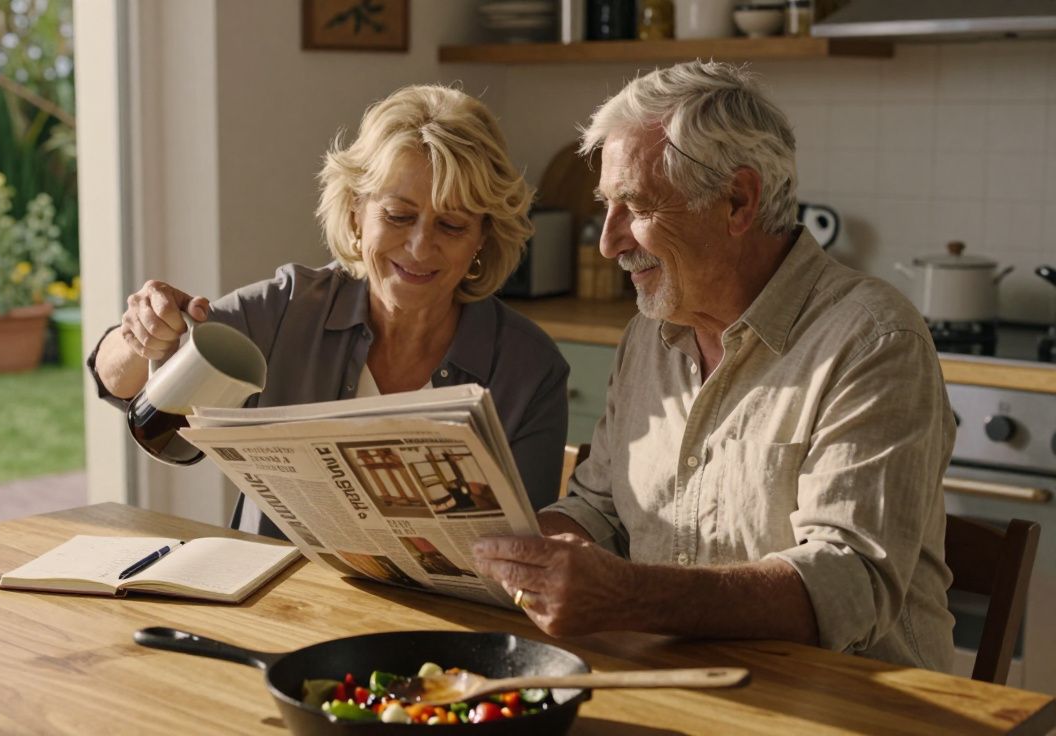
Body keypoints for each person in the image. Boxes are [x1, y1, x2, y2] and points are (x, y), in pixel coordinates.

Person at [472, 61, 955, 672]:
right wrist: (507, 547)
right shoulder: (647, 337)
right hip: (679, 690)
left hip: (851, 706)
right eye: (606, 208)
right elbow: (600, 510)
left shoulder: (873, 341)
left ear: (738, 200)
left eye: (636, 206)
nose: (608, 242)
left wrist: (624, 595)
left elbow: (849, 581)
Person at [90, 84, 569, 539]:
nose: (421, 247)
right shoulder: (289, 309)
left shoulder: (529, 371)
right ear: (357, 212)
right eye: (399, 216)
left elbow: (525, 560)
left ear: (483, 236)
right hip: (275, 612)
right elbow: (116, 380)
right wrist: (141, 336)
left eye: (452, 224)